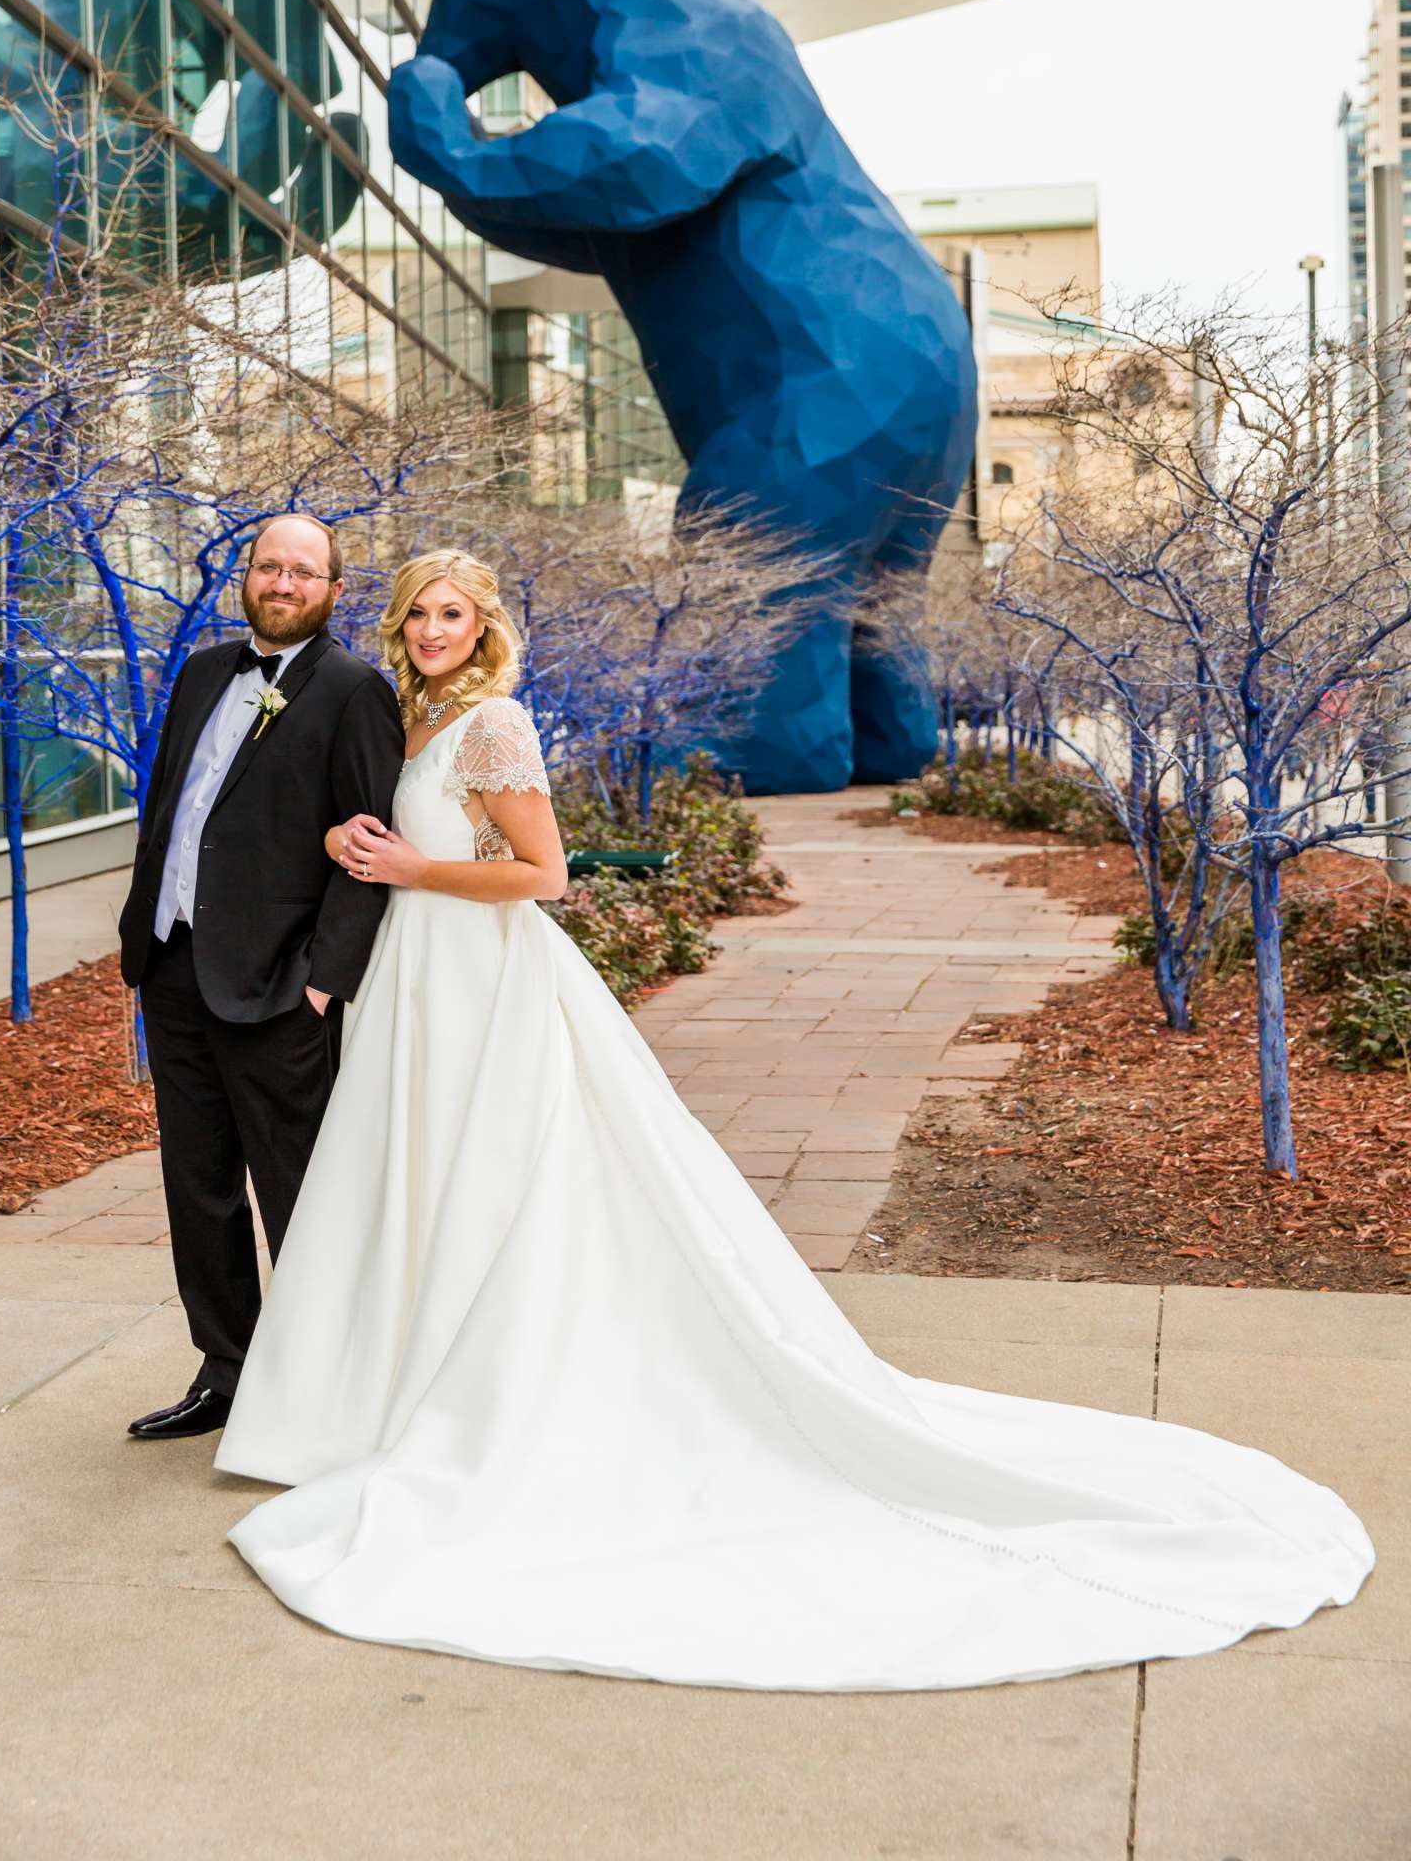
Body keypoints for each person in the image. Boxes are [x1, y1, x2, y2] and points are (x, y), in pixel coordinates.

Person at [213, 549, 1373, 1691]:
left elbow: (545, 875)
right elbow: (393, 845)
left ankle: (480, 1402)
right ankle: (398, 1388)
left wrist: (413, 868)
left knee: (495, 1182)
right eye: (418, 612)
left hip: (481, 978)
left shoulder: (496, 725)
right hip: (414, 979)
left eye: (451, 614)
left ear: (484, 626)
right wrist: (358, 852)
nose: (429, 631)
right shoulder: (406, 721)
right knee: (413, 1182)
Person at [116, 513, 403, 1442]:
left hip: (279, 985)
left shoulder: (357, 691)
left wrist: (327, 981)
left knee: (299, 1191)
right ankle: (228, 1374)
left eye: (303, 571)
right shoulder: (204, 670)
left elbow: (373, 848)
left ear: (333, 587)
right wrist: (140, 937)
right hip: (172, 968)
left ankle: (325, 1386)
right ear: (247, 575)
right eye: (269, 566)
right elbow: (171, 809)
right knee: (196, 1186)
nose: (283, 583)